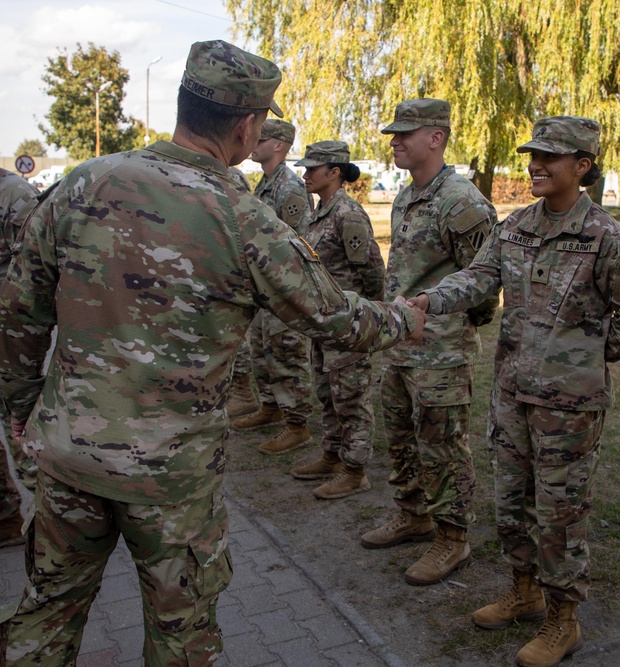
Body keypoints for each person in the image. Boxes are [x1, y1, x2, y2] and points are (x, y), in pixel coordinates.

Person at [0, 39, 423, 666]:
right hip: (171, 481)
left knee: (46, 615)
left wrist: (21, 406)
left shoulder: (83, 183)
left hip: (68, 457)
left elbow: (18, 313)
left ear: (182, 104)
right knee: (182, 635)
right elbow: (334, 319)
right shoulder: (241, 217)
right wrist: (402, 318)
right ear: (249, 126)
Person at [410, 116, 620, 667]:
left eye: (551, 157)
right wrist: (432, 300)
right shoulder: (515, 225)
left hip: (569, 408)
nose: (536, 165)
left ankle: (563, 620)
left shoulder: (605, 239)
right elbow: (477, 277)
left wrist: (583, 358)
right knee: (512, 501)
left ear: (582, 167)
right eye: (532, 155)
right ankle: (524, 591)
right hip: (513, 394)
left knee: (561, 512)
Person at [361, 98, 500, 586]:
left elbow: (484, 281)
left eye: (405, 133)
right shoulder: (404, 196)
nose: (394, 141)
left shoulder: (460, 202)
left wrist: (458, 330)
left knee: (441, 446)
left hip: (441, 352)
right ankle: (412, 513)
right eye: (394, 134)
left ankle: (452, 537)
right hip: (398, 343)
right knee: (400, 437)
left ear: (436, 138)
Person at [291, 141, 385, 500]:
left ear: (334, 173)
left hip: (347, 324)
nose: (305, 174)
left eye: (312, 169)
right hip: (323, 323)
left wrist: (366, 317)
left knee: (352, 399)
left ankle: (354, 470)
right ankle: (332, 455)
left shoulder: (349, 214)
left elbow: (373, 272)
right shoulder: (319, 213)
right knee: (327, 394)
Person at [231, 119, 317, 456]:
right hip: (264, 285)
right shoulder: (266, 184)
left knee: (287, 354)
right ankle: (270, 407)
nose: (254, 142)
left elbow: (296, 243)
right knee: (263, 350)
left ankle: (297, 425)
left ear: (279, 145)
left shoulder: (290, 188)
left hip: (285, 286)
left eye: (262, 138)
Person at [0, 168, 38, 546]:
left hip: (8, 334)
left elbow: (36, 269)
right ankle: (6, 518)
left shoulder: (14, 193)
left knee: (16, 420)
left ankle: (53, 517)